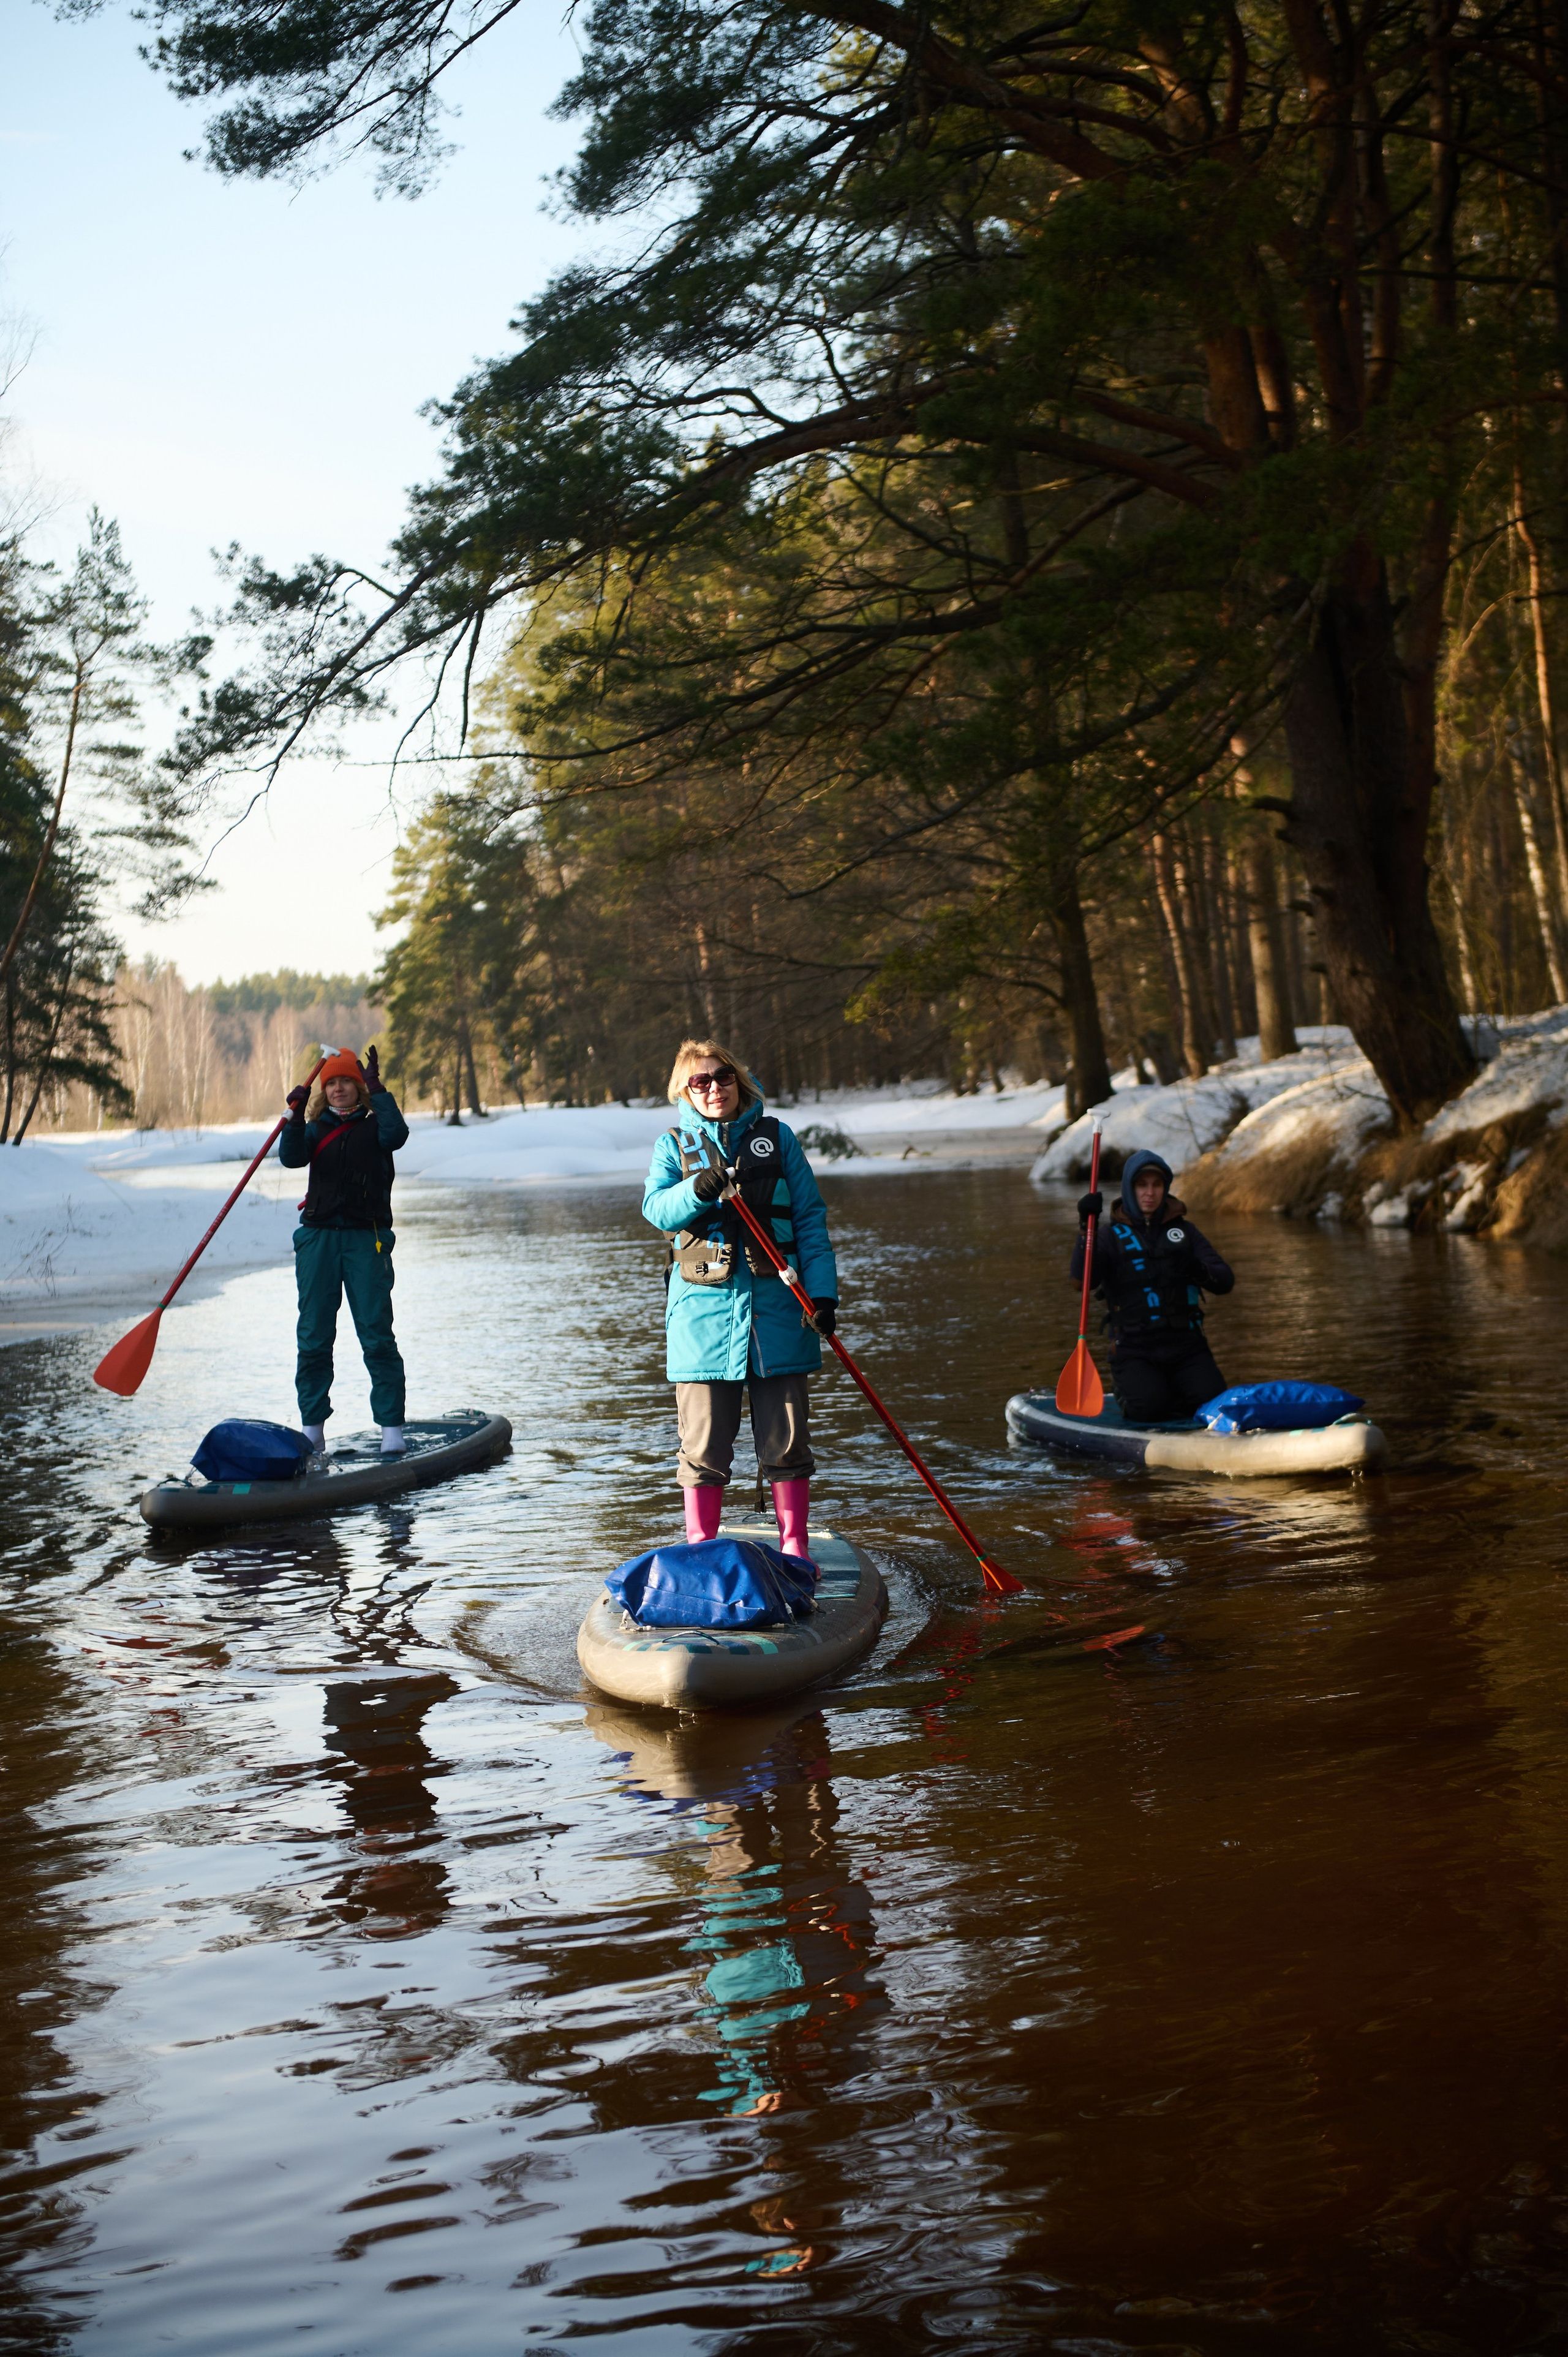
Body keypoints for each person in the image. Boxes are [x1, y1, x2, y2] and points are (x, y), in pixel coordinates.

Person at [643, 1039, 839, 1558]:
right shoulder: (673, 1145)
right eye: (699, 1081)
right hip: (701, 1320)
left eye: (722, 1077)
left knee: (788, 1445)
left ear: (739, 1080)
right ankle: (701, 1553)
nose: (713, 1088)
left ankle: (796, 1552)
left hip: (779, 1313)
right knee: (703, 1449)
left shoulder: (779, 1139)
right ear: (684, 1090)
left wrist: (821, 1296)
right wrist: (698, 1190)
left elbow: (811, 1223)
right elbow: (658, 1210)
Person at [279, 1046, 410, 1457]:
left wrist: (378, 1088)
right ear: (325, 1090)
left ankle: (392, 1431)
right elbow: (291, 1158)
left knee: (376, 1335)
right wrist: (295, 1118)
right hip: (318, 1240)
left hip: (364, 1241)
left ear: (358, 1088)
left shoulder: (377, 1128)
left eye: (347, 1082)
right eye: (331, 1083)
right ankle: (313, 1431)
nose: (338, 1089)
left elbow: (397, 1135)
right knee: (314, 1338)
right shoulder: (315, 1128)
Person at [1069, 1147, 1234, 1421]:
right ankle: (1128, 1392)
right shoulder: (1109, 1236)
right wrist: (1086, 1230)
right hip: (1134, 1349)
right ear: (1129, 1189)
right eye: (1142, 1185)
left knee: (1215, 1407)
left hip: (1187, 1346)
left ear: (1165, 1188)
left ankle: (1178, 1390)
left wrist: (1196, 1269)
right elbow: (1081, 1282)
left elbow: (1225, 1281)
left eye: (1157, 1185)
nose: (1150, 1192)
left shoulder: (1186, 1232)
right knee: (1149, 1409)